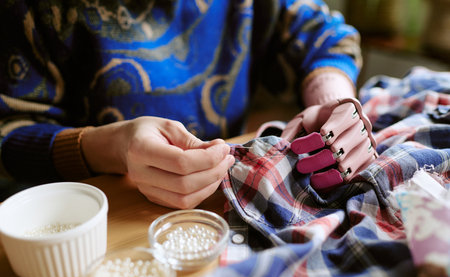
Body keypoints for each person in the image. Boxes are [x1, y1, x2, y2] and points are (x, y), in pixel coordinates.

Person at [0, 0, 363, 208]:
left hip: (217, 213)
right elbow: (8, 134)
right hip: (89, 218)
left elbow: (326, 35)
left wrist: (331, 101)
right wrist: (108, 147)